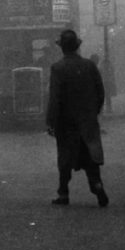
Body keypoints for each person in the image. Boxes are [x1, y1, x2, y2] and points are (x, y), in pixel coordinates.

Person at [46, 30, 108, 207]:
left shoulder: (57, 68)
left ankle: (63, 193)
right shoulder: (89, 66)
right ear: (77, 46)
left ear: (62, 48)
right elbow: (100, 92)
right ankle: (97, 186)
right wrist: (92, 112)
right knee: (91, 157)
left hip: (66, 123)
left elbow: (55, 98)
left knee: (65, 158)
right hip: (87, 121)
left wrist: (51, 121)